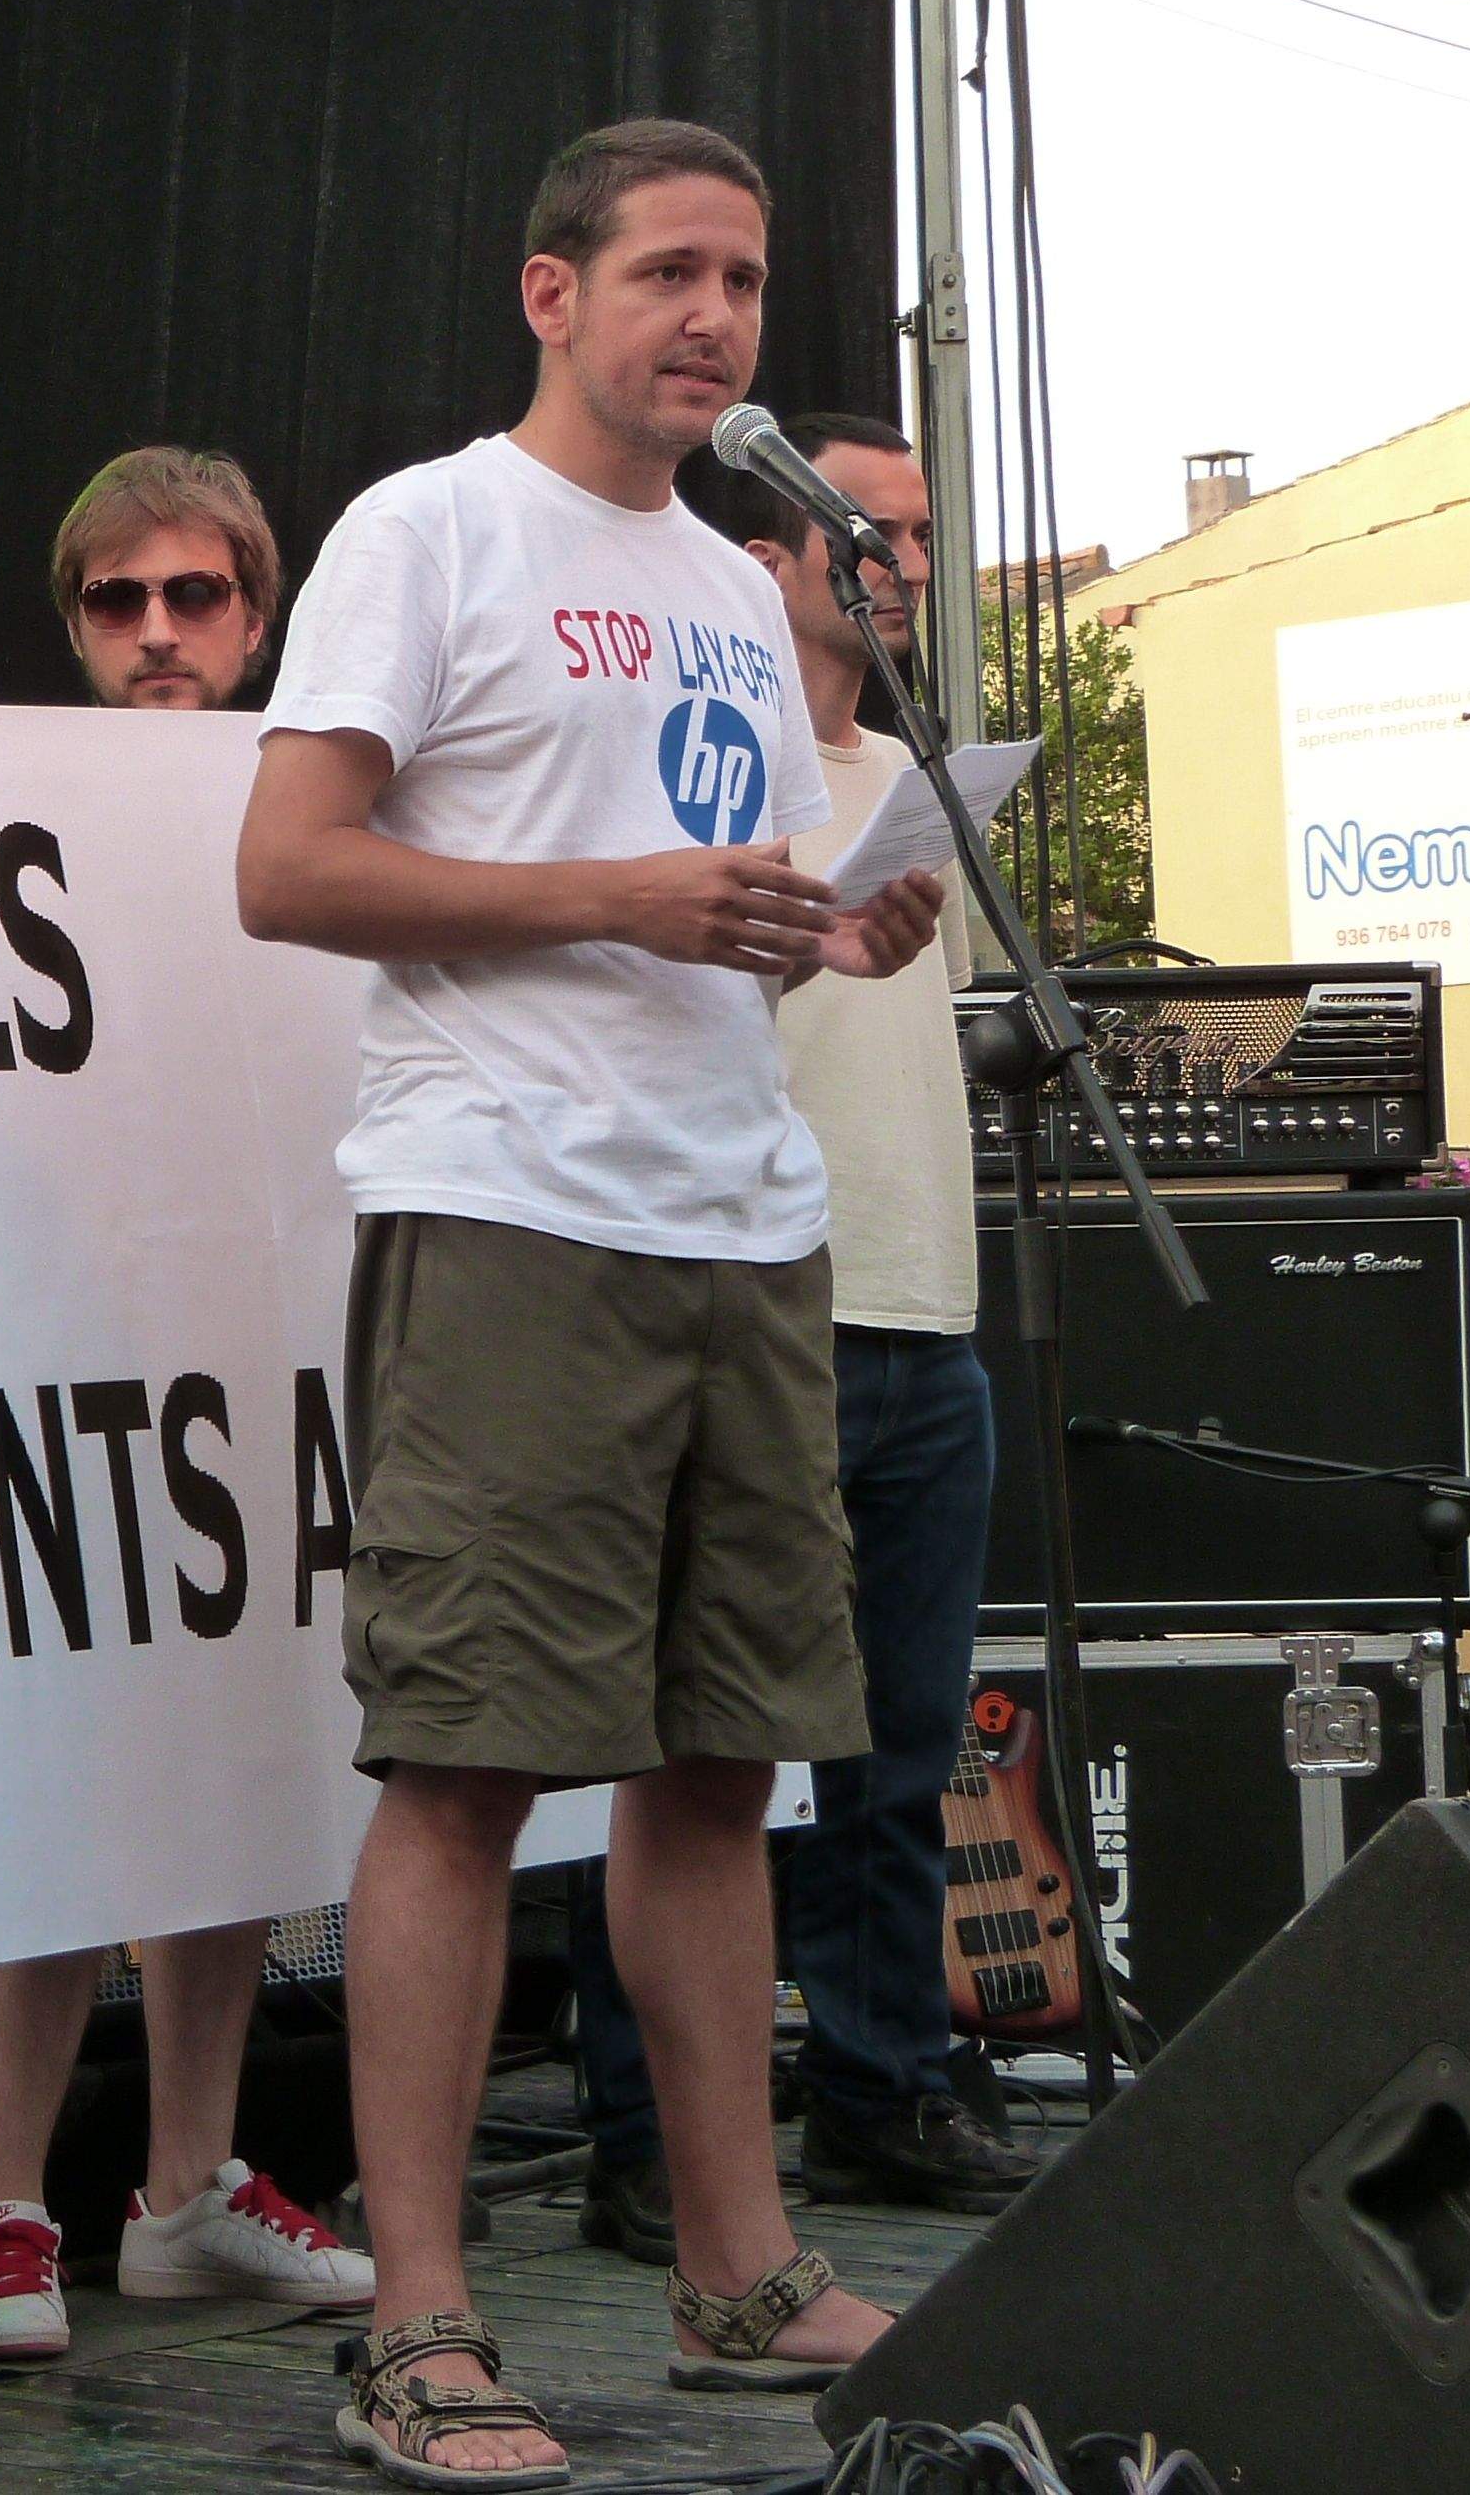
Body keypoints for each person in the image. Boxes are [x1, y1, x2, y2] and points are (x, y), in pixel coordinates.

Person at [233, 118, 942, 2485]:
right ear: (553, 294)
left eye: (742, 279)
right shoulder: (427, 530)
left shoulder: (744, 585)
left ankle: (739, 2270)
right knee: (468, 1764)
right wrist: (616, 896)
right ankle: (419, 2323)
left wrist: (833, 925)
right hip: (511, 1207)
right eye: (668, 273)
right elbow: (287, 867)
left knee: (724, 1759)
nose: (714, 317)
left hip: (741, 1217)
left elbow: (709, 909)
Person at [563, 415, 1036, 2269]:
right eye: (862, 530)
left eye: (909, 533)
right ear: (768, 560)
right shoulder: (703, 754)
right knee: (703, 1746)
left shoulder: (910, 770)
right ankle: (643, 2132)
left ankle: (876, 2083)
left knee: (903, 1742)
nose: (895, 563)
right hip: (765, 1298)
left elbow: (934, 1023)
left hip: (927, 1305)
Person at [0, 445, 374, 2366]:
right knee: (54, 1796)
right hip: (48, 1358)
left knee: (240, 1772)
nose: (156, 632)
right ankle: (3, 2205)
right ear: (72, 624)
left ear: (255, 614)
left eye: (193, 595)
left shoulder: (329, 806)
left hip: (269, 1359)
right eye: (116, 601)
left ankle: (186, 2186)